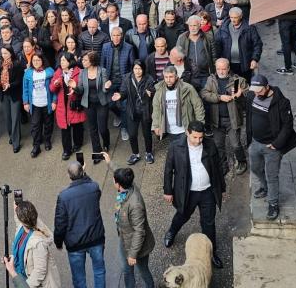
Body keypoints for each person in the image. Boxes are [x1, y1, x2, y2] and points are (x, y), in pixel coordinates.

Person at [161, 121, 225, 269]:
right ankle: (171, 231)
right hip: (187, 192)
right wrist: (168, 191)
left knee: (209, 224)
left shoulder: (209, 144)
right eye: (195, 137)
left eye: (201, 138)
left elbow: (217, 167)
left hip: (207, 192)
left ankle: (211, 253)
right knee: (182, 215)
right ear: (187, 133)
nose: (198, 141)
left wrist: (221, 188)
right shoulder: (175, 147)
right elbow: (168, 170)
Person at [245, 75, 296, 220]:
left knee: (272, 176)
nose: (256, 93)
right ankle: (265, 187)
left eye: (259, 90)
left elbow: (288, 126)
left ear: (267, 87)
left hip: (272, 147)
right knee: (255, 168)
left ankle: (273, 203)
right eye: (254, 91)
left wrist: (276, 144)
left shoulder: (281, 102)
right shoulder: (252, 95)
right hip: (255, 142)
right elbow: (248, 114)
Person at [100, 153, 155, 288]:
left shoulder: (135, 204)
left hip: (138, 246)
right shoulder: (129, 184)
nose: (113, 182)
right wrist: (109, 162)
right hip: (125, 238)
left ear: (118, 184)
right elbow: (119, 171)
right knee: (126, 270)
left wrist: (132, 254)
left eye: (114, 180)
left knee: (143, 271)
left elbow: (139, 231)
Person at [53, 162, 105, 288]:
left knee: (79, 278)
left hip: (75, 243)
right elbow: (93, 188)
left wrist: (58, 243)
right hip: (96, 239)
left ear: (68, 175)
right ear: (82, 172)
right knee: (99, 272)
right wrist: (84, 175)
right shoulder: (94, 187)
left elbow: (60, 223)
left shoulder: (63, 196)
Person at [200, 58, 248, 175]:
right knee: (218, 145)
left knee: (236, 144)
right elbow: (204, 94)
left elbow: (248, 95)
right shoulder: (211, 80)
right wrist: (219, 97)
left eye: (224, 69)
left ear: (228, 68)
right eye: (218, 69)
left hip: (232, 119)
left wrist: (240, 94)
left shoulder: (237, 80)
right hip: (217, 120)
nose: (221, 71)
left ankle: (242, 162)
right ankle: (223, 165)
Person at [12, 200, 61, 288]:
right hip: (22, 277)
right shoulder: (22, 228)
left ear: (22, 220)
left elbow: (40, 271)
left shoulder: (38, 243)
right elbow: (19, 222)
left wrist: (24, 286)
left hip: (32, 284)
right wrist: (17, 210)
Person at [151, 66, 205, 143]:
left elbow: (198, 106)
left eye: (171, 77)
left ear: (176, 77)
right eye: (166, 77)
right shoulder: (159, 90)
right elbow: (156, 109)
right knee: (176, 151)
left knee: (187, 152)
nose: (168, 80)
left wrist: (200, 125)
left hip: (185, 128)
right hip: (169, 129)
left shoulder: (188, 88)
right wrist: (156, 126)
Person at [75, 51, 111, 163]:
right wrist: (75, 87)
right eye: (83, 60)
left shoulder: (102, 71)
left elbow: (105, 89)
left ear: (92, 60)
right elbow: (80, 89)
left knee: (102, 128)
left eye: (85, 60)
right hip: (88, 103)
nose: (83, 61)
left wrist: (107, 86)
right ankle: (97, 153)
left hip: (101, 103)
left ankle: (106, 142)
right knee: (92, 129)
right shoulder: (82, 73)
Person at [50, 52, 85, 160]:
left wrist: (74, 88)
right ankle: (66, 150)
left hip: (74, 104)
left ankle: (78, 144)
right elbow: (52, 89)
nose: (62, 62)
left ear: (70, 62)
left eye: (64, 60)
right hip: (62, 105)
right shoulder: (58, 73)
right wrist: (55, 84)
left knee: (77, 126)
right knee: (64, 129)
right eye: (61, 60)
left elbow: (82, 89)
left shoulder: (78, 72)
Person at [121, 60, 156, 165]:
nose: (137, 71)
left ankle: (149, 153)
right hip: (132, 110)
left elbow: (153, 90)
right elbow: (123, 91)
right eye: (135, 68)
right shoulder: (127, 78)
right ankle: (135, 154)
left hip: (145, 109)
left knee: (147, 134)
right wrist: (120, 95)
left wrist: (151, 94)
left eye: (140, 69)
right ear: (132, 69)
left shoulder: (149, 78)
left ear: (143, 69)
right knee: (132, 134)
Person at [214, 6, 262, 82]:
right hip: (229, 63)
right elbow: (217, 44)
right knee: (232, 84)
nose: (233, 20)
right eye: (231, 17)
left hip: (244, 63)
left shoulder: (249, 28)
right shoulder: (223, 28)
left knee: (245, 83)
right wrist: (217, 59)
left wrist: (254, 59)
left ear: (241, 16)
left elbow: (257, 44)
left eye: (235, 17)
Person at [22, 52, 56, 158]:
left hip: (47, 103)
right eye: (34, 60)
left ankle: (47, 141)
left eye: (38, 60)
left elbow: (55, 89)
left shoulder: (49, 72)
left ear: (42, 61)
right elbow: (25, 89)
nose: (36, 62)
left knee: (48, 124)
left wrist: (54, 101)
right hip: (35, 104)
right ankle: (36, 146)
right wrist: (26, 102)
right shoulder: (28, 73)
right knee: (35, 126)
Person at [0, 46, 26, 154]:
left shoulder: (17, 64)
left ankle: (16, 142)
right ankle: (12, 135)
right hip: (4, 94)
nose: (3, 55)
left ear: (11, 53)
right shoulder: (1, 64)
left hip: (15, 94)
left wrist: (10, 85)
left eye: (5, 53)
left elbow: (20, 80)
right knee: (8, 118)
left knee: (15, 119)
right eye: (2, 53)